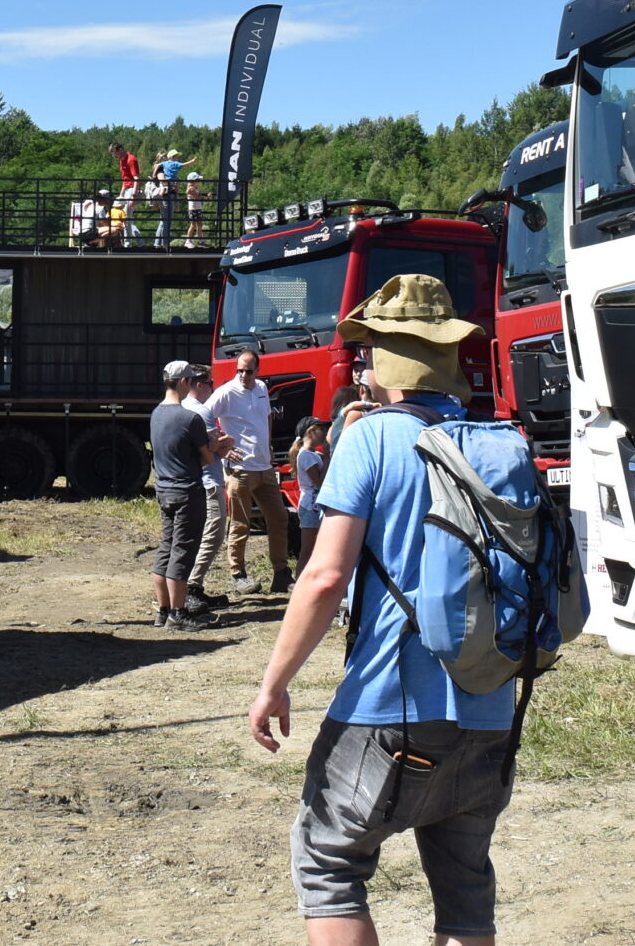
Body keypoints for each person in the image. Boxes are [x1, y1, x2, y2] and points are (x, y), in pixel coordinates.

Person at [248, 273, 512, 946]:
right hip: (490, 707)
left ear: (386, 360)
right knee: (464, 894)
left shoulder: (370, 439)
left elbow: (325, 575)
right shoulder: (494, 442)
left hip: (390, 706)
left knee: (329, 865)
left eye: (368, 351)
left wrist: (274, 683)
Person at [207, 348, 291, 594]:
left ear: (258, 370)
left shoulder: (261, 388)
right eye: (240, 371)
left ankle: (281, 573)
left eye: (248, 371)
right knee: (240, 523)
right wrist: (222, 448)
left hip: (264, 466)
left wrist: (268, 445)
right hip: (240, 469)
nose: (243, 375)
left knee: (279, 518)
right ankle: (238, 574)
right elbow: (202, 417)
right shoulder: (226, 392)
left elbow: (267, 417)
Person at [149, 361, 217, 630]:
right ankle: (178, 613)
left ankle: (163, 611)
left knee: (166, 548)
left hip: (164, 490)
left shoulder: (156, 414)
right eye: (190, 380)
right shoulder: (190, 418)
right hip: (187, 492)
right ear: (183, 382)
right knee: (182, 552)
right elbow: (207, 459)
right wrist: (218, 446)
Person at [183, 368, 231, 614]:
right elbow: (214, 448)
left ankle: (191, 587)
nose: (213, 387)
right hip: (210, 481)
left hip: (193, 482)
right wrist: (228, 443)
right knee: (214, 533)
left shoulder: (180, 408)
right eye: (210, 383)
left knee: (194, 535)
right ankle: (192, 586)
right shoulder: (202, 412)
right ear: (199, 384)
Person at [291, 418, 330, 570]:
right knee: (307, 551)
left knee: (315, 550)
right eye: (322, 429)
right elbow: (319, 481)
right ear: (311, 431)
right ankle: (300, 580)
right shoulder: (306, 455)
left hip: (315, 505)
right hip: (310, 506)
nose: (325, 433)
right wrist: (327, 457)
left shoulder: (313, 454)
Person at [152, 149, 185, 248]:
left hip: (167, 195)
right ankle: (165, 244)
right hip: (166, 195)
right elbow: (163, 181)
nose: (166, 160)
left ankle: (158, 243)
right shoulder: (161, 170)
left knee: (163, 221)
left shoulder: (164, 169)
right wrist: (174, 183)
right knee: (167, 221)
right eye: (163, 158)